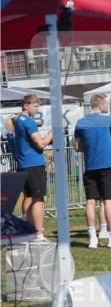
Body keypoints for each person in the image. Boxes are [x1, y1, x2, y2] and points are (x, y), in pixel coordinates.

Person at [76, 93, 111, 249]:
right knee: (108, 200)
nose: (107, 106)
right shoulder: (107, 120)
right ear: (100, 105)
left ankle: (93, 238)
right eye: (106, 103)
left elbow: (77, 147)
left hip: (90, 165)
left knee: (90, 202)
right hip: (107, 164)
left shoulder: (80, 122)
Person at [12, 94, 53, 241]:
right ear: (26, 105)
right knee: (38, 199)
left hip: (25, 164)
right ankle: (38, 233)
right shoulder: (28, 122)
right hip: (33, 164)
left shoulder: (18, 120)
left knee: (30, 198)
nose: (37, 109)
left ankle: (30, 231)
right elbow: (40, 144)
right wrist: (51, 135)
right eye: (35, 106)